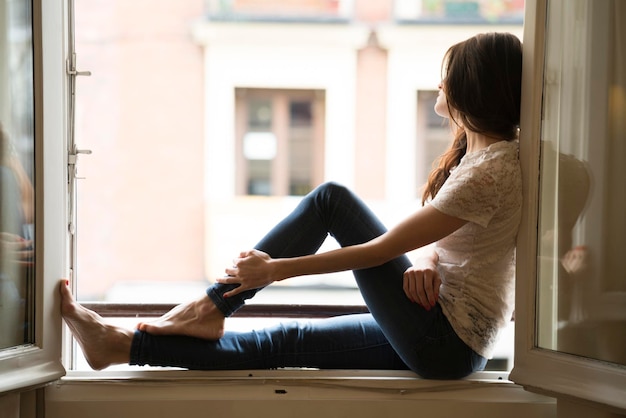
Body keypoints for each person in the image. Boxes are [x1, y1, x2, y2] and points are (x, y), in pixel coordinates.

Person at [60, 32, 523, 379]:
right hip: (447, 336)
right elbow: (464, 237)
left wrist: (274, 270)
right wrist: (430, 258)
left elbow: (379, 251)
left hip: (444, 339)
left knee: (331, 201)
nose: (440, 80)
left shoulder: (492, 169)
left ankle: (212, 307)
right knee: (286, 341)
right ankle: (119, 346)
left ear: (472, 87)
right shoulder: (482, 157)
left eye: (451, 70)